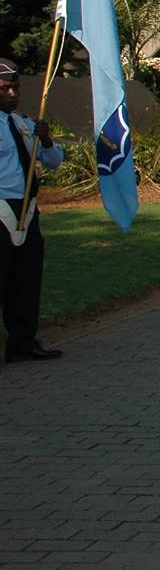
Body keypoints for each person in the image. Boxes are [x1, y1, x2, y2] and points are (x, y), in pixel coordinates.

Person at [0, 57, 65, 361]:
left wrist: (47, 139)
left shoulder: (25, 123)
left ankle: (22, 342)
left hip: (28, 210)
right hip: (0, 211)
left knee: (26, 280)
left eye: (15, 87)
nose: (12, 94)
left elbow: (53, 162)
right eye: (4, 89)